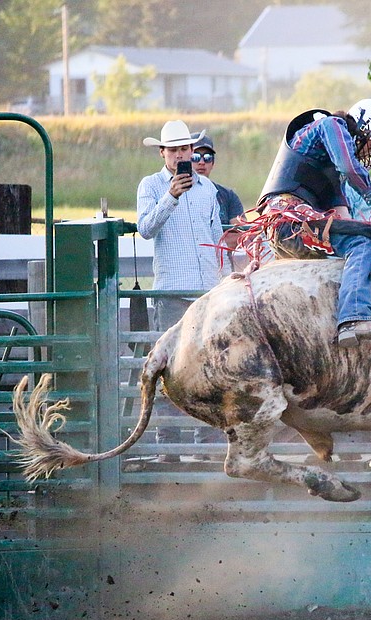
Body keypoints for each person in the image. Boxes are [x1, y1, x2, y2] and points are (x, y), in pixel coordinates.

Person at [257, 99, 371, 347]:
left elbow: (345, 218)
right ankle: (355, 317)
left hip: (286, 227)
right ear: (365, 127)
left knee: (360, 237)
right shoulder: (331, 125)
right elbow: (350, 167)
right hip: (290, 219)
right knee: (364, 242)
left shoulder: (332, 174)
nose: (370, 152)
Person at [136, 119, 225, 460]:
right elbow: (146, 228)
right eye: (173, 150)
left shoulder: (208, 189)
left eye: (185, 149)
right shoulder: (151, 186)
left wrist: (225, 278)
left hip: (208, 293)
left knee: (213, 368)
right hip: (173, 292)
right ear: (163, 153)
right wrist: (171, 196)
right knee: (169, 371)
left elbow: (216, 239)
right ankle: (169, 447)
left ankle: (208, 446)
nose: (180, 155)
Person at [190, 133, 244, 227]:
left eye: (207, 158)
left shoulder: (228, 196)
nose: (201, 162)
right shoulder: (176, 195)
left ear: (213, 163)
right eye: (195, 157)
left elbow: (241, 233)